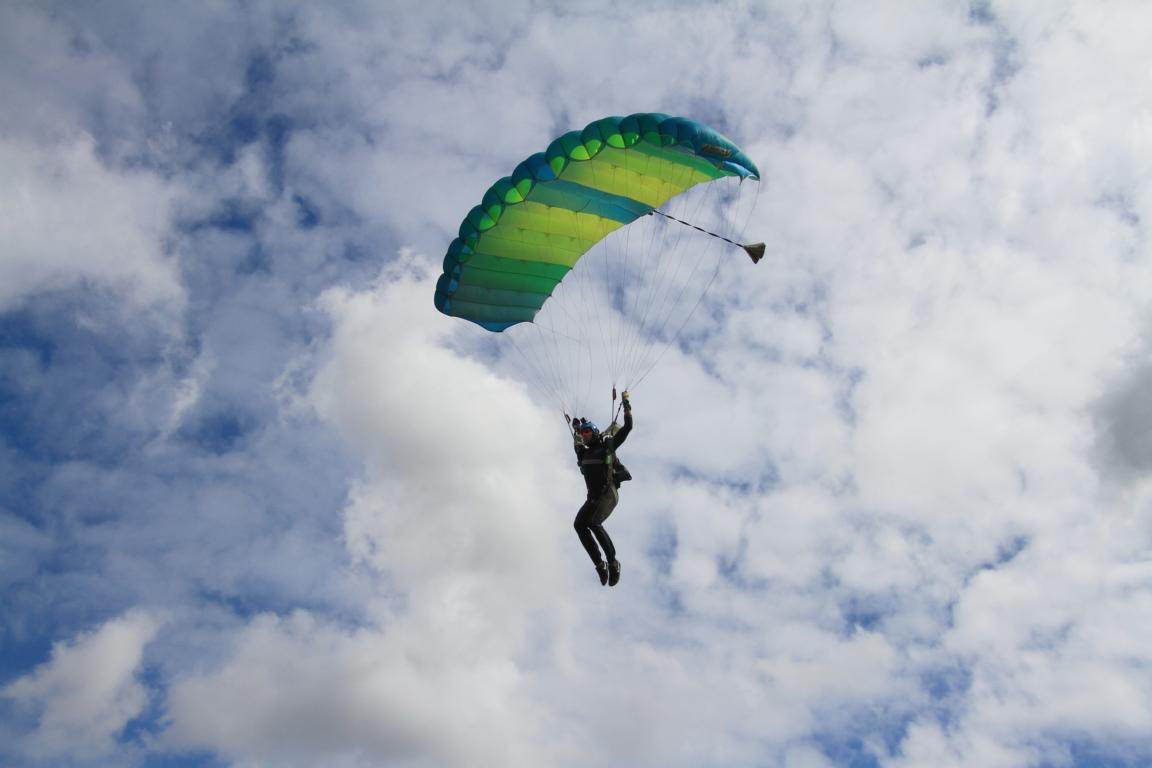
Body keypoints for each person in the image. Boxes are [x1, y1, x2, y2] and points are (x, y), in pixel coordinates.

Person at [571, 392, 633, 586]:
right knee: (580, 525)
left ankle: (613, 563)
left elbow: (628, 428)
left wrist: (626, 405)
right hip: (593, 498)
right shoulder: (583, 454)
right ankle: (600, 565)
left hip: (608, 493)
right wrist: (576, 428)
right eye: (583, 433)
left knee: (593, 522)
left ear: (595, 432)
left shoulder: (607, 447)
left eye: (587, 431)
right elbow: (577, 442)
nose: (584, 435)